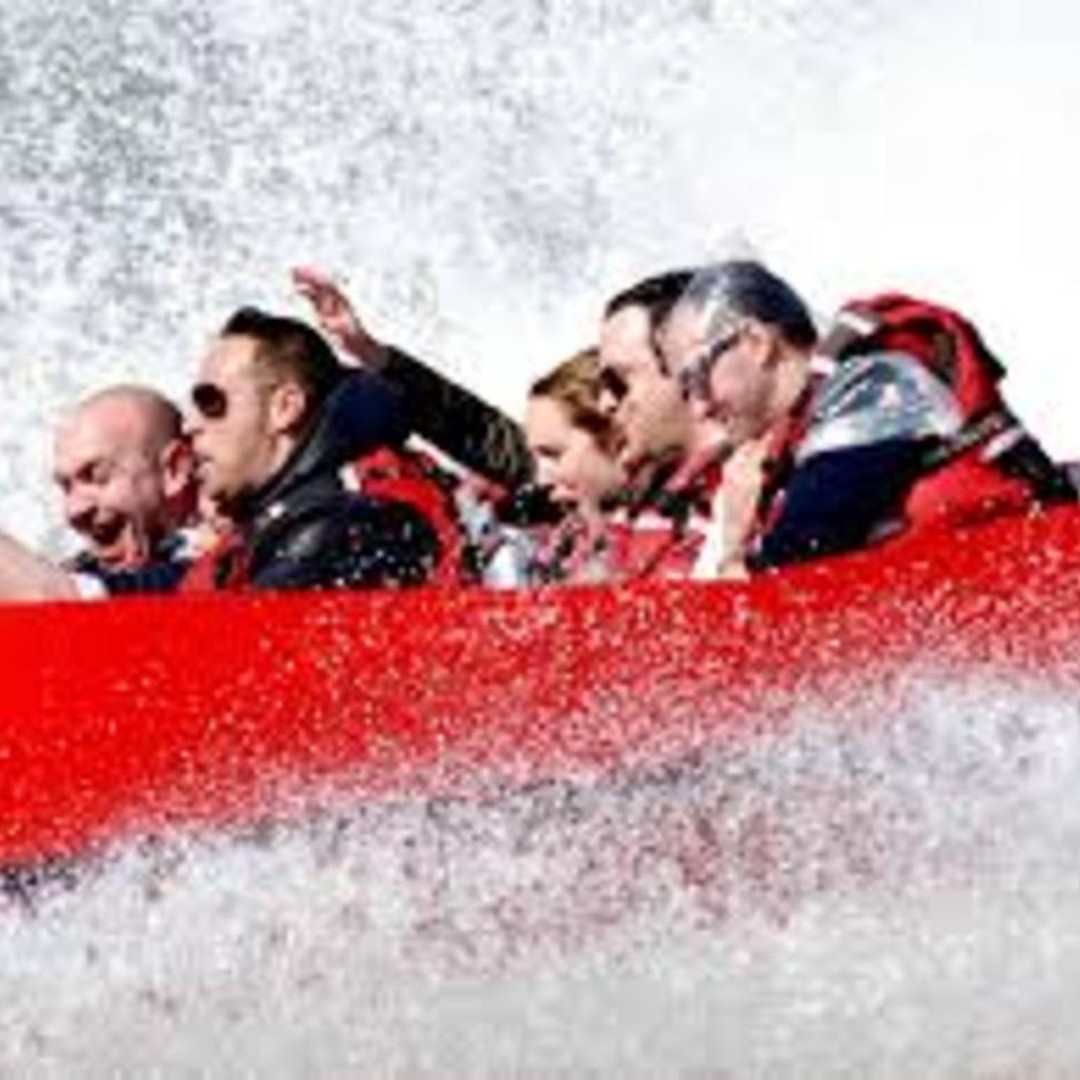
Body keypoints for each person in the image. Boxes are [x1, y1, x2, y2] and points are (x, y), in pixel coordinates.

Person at [657, 259, 1077, 575]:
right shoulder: (805, 438)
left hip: (1037, 578)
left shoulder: (873, 384)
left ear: (756, 342)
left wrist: (732, 546)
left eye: (697, 378)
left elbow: (796, 568)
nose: (699, 408)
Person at [183, 307, 439, 591]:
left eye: (209, 402)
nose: (189, 426)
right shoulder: (275, 522)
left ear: (284, 408)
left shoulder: (338, 531)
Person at [523, 348, 626, 583]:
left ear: (616, 436)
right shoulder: (565, 543)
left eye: (554, 454)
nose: (541, 480)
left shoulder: (684, 539)